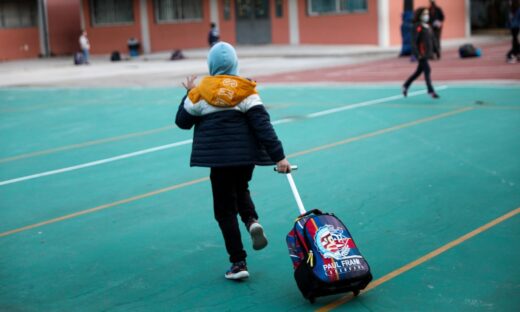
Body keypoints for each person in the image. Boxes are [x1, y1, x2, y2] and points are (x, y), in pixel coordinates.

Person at [175, 42, 291, 280]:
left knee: (224, 210)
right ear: (235, 65)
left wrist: (188, 92)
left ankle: (238, 263)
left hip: (218, 161)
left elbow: (182, 122)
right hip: (244, 157)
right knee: (241, 188)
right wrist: (279, 156)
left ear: (211, 66)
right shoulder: (246, 90)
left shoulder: (200, 92)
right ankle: (251, 221)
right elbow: (262, 126)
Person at [402, 8, 440, 99]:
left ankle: (406, 85)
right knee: (427, 70)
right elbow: (414, 41)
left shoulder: (428, 26)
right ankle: (430, 91)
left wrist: (437, 51)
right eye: (424, 14)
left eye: (427, 13)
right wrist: (416, 53)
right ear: (420, 15)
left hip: (427, 54)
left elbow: (433, 40)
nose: (426, 16)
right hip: (421, 54)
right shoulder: (417, 26)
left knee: (418, 72)